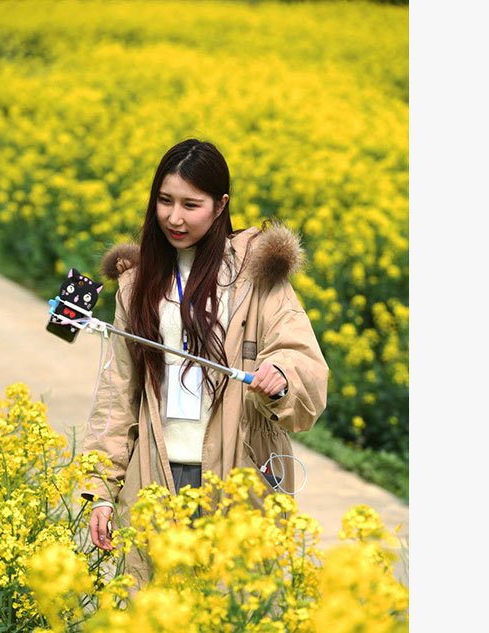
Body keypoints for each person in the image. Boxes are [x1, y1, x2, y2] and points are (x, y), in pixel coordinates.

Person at [80, 138, 329, 586]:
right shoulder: (138, 284)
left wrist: (283, 375)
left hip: (238, 472)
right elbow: (117, 395)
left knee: (229, 601)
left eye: (190, 204)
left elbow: (302, 357)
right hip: (154, 478)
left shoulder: (257, 276)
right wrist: (99, 489)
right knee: (158, 607)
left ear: (220, 206)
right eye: (164, 201)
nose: (174, 217)